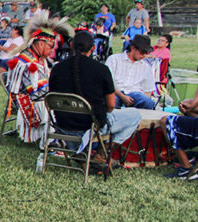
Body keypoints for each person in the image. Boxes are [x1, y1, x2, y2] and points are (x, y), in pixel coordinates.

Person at [48, 30, 142, 158]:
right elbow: (111, 105)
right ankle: (102, 154)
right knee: (135, 115)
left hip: (63, 125)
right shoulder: (101, 69)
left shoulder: (57, 68)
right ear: (93, 48)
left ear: (71, 46)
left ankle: (84, 155)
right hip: (90, 127)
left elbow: (52, 97)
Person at [6, 13, 71, 145]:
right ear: (40, 44)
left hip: (34, 96)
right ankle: (50, 142)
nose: (52, 51)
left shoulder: (37, 58)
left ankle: (58, 138)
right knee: (58, 105)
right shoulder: (28, 62)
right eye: (50, 46)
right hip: (27, 99)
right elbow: (38, 92)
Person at [105, 34, 157, 110]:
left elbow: (148, 90)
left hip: (135, 93)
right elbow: (107, 82)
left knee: (148, 102)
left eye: (147, 53)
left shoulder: (146, 66)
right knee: (111, 100)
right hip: (115, 91)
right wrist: (122, 96)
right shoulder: (114, 59)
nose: (144, 55)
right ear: (133, 48)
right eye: (142, 52)